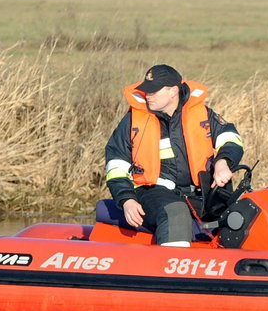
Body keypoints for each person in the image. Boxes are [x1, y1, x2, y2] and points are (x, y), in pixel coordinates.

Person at [104, 64, 244, 247]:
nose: (148, 96)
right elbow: (116, 164)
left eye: (154, 92)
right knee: (175, 212)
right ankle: (171, 271)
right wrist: (127, 199)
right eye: (147, 91)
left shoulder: (202, 114)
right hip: (152, 192)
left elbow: (231, 138)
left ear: (173, 92)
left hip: (201, 193)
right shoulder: (133, 121)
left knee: (244, 212)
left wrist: (223, 162)